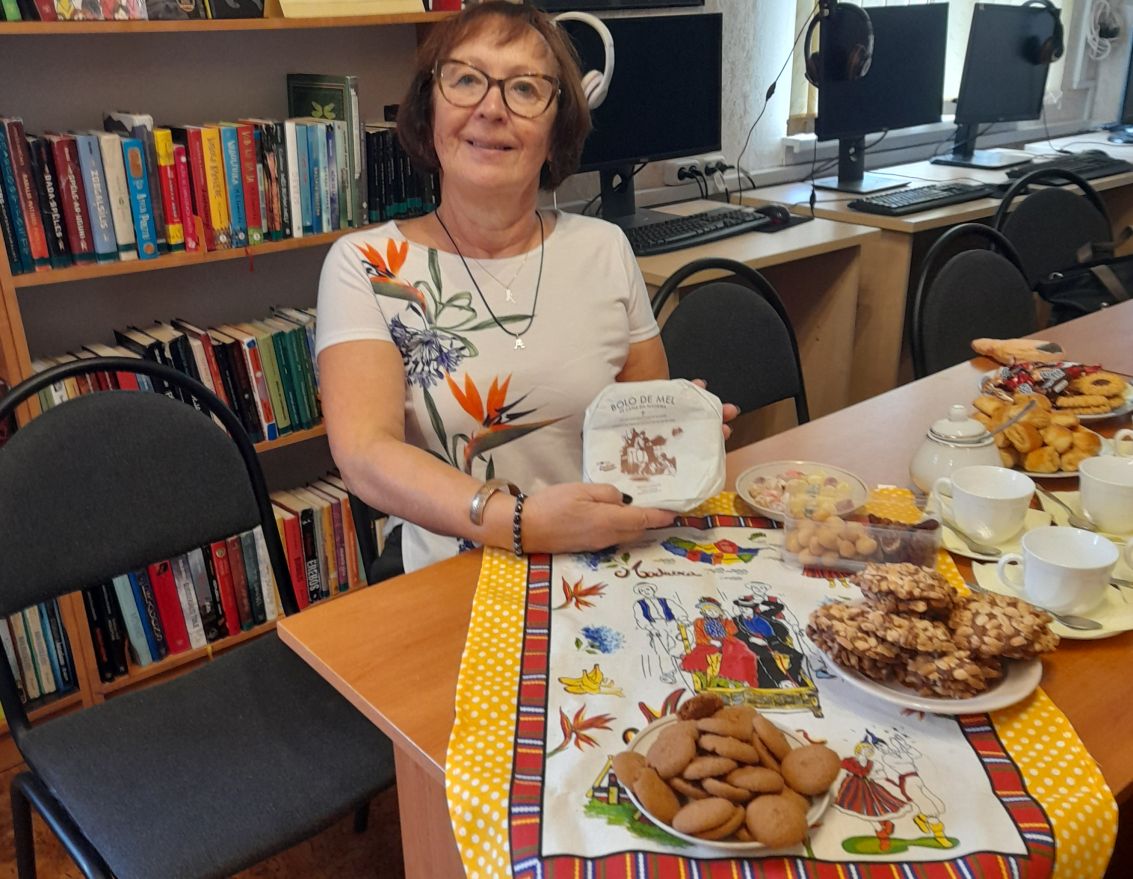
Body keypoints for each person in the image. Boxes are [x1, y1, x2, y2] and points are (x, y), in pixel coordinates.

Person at [316, 2, 733, 573]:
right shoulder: (366, 266)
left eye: (525, 89)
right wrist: (521, 522)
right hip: (454, 578)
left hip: (605, 563)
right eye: (465, 80)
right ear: (427, 109)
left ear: (557, 125)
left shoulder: (605, 248)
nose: (491, 108)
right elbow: (366, 454)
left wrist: (679, 432)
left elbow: (635, 421)